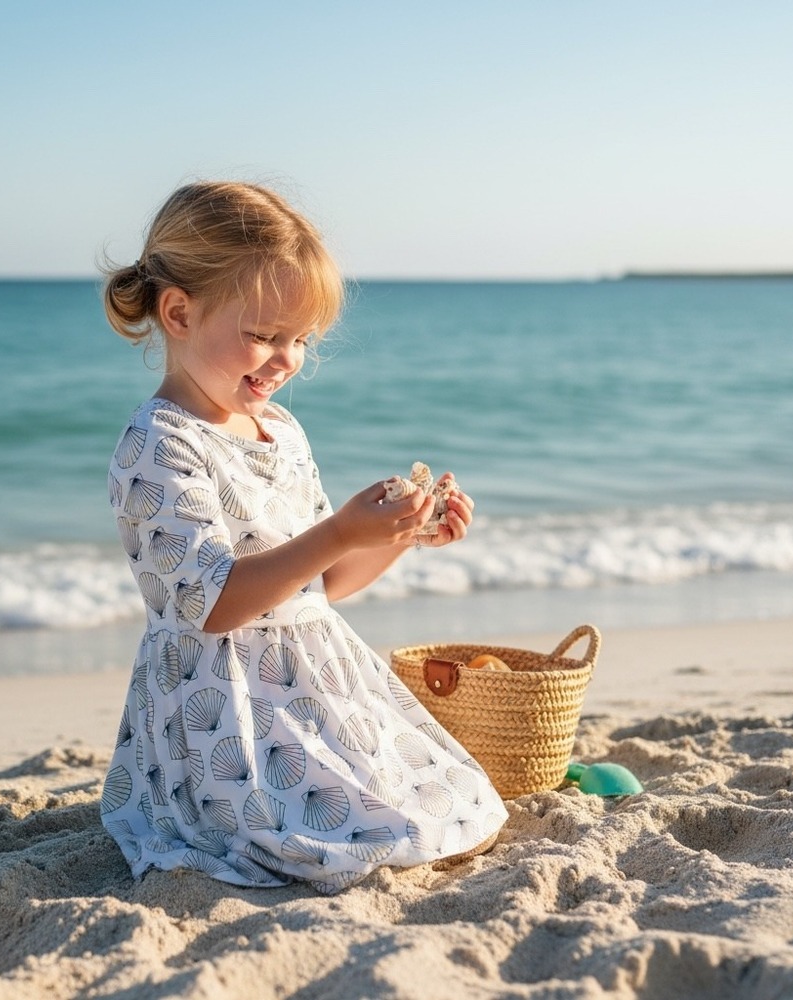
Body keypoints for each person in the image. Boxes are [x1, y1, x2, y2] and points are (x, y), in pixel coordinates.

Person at [99, 181, 507, 893]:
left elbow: (324, 585)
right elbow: (217, 605)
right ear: (179, 312)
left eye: (300, 340)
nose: (285, 358)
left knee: (448, 804)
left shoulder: (280, 431)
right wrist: (341, 528)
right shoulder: (158, 446)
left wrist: (398, 535)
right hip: (223, 707)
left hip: (311, 686)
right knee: (345, 838)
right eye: (262, 335)